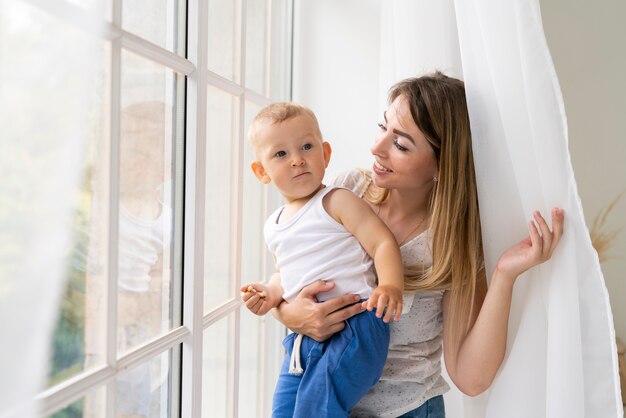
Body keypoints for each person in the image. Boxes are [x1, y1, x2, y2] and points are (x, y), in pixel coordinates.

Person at [263, 72, 565, 417]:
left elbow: (471, 378)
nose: (377, 148)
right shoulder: (347, 190)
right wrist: (287, 312)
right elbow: (288, 270)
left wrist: (505, 276)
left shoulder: (449, 245)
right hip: (314, 397)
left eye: (401, 145)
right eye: (383, 127)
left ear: (441, 165)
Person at [240, 102, 406, 417]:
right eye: (280, 154)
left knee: (315, 409)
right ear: (261, 171)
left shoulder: (336, 201)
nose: (297, 160)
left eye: (306, 146)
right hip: (304, 340)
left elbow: (382, 241)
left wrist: (390, 286)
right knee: (284, 410)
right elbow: (284, 273)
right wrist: (270, 293)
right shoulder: (272, 225)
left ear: (325, 154)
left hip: (357, 324)